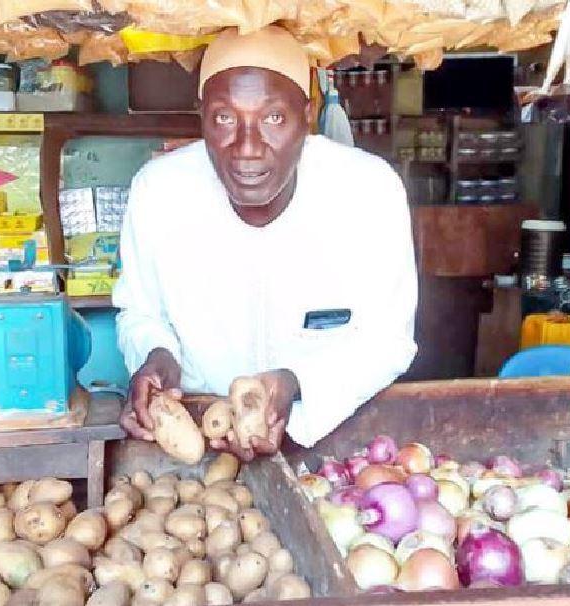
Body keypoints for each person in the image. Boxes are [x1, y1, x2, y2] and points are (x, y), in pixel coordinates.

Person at [112, 26, 418, 461]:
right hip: (200, 444)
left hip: (331, 445)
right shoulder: (160, 192)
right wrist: (156, 353)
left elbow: (389, 340)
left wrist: (295, 385)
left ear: (306, 115)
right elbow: (139, 311)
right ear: (201, 116)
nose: (248, 147)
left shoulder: (368, 192)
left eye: (273, 117)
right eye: (224, 118)